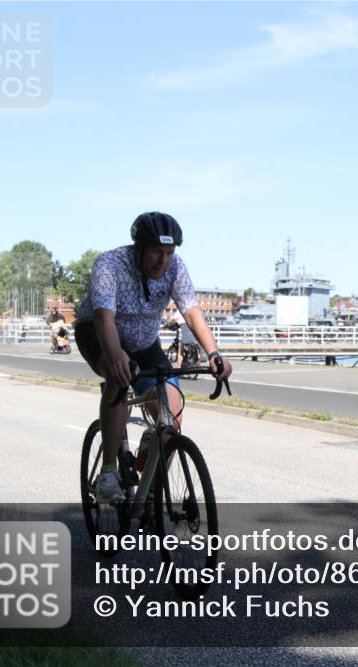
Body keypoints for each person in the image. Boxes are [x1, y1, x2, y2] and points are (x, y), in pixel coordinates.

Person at [73, 212, 232, 502]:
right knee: (118, 374)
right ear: (139, 248)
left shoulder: (175, 267)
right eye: (157, 252)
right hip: (99, 333)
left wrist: (214, 352)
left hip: (145, 343)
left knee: (172, 411)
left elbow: (192, 311)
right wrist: (117, 356)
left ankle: (150, 489)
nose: (164, 260)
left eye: (169, 252)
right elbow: (103, 318)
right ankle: (109, 471)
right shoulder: (110, 265)